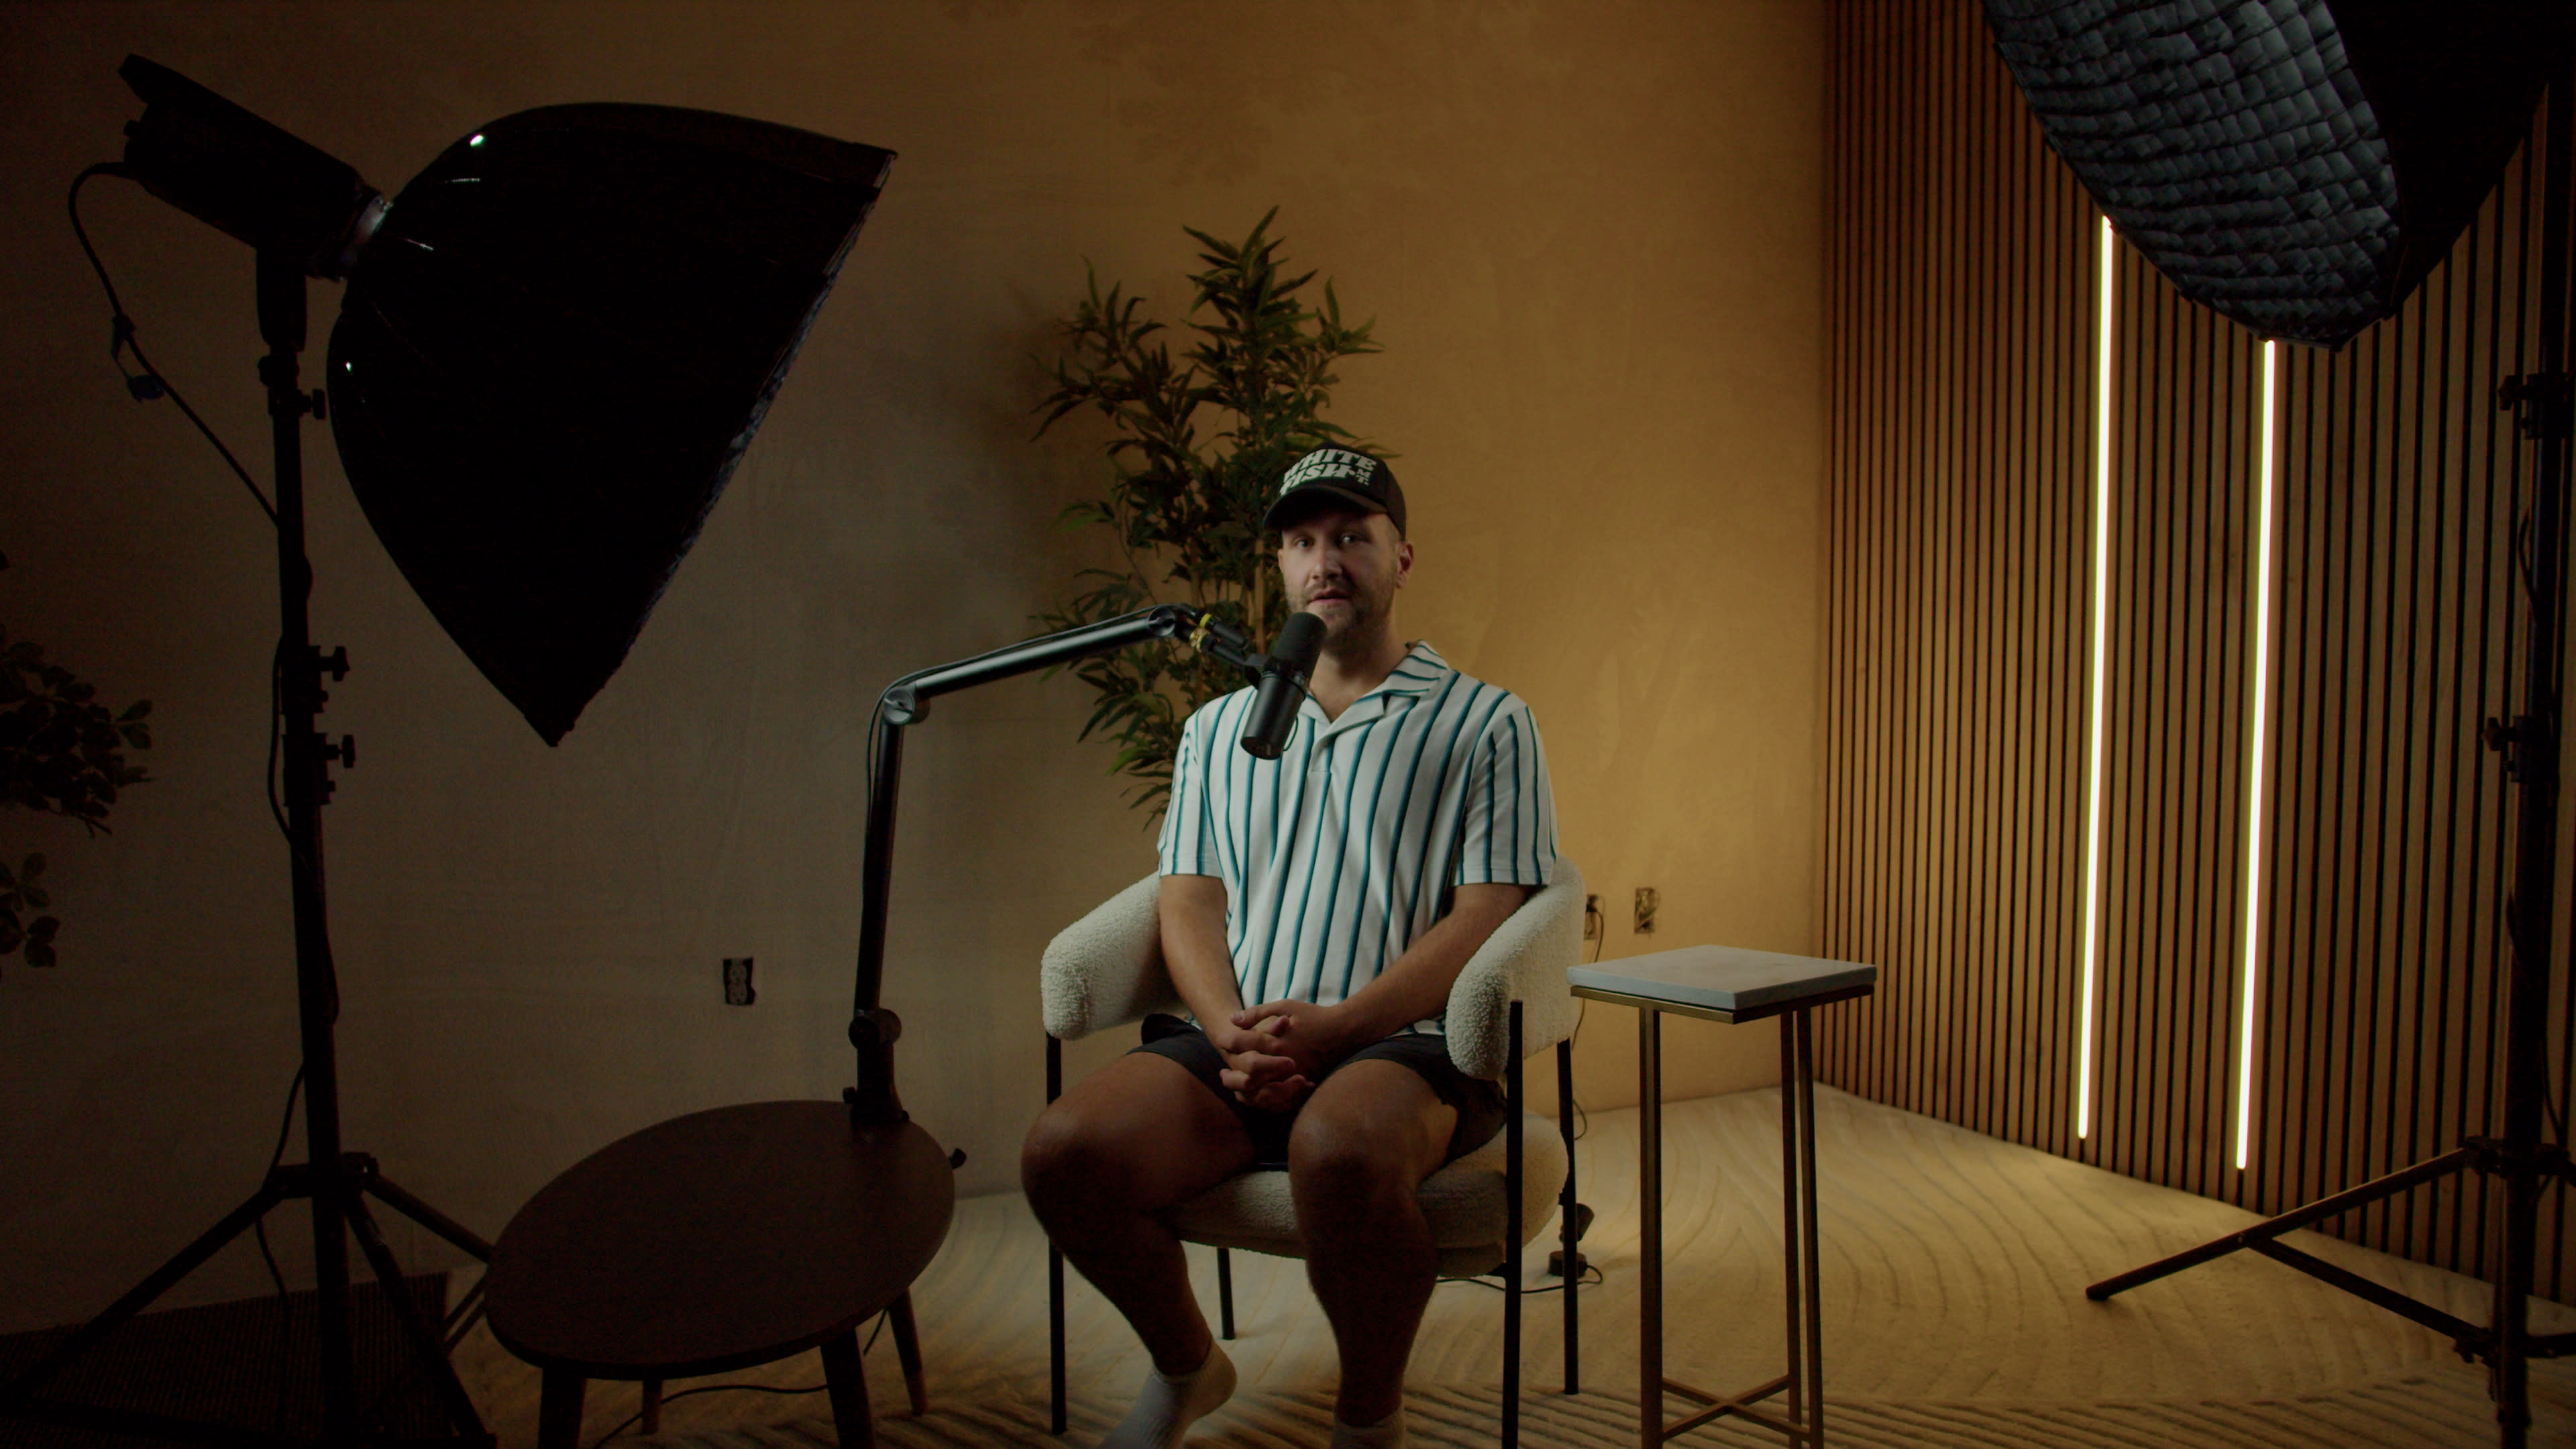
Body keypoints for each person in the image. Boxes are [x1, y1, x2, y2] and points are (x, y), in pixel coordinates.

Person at [1021, 445, 1559, 1449]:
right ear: (1280, 566)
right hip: (1244, 1034)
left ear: (1402, 557)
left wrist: (1343, 1029)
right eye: (1304, 542)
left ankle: (1368, 1421)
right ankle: (1189, 1368)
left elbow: (1488, 912)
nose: (1327, 561)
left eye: (1353, 536)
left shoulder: (1488, 721)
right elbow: (1187, 904)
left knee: (1341, 1149)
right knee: (1064, 1153)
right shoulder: (1222, 727)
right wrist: (1228, 1031)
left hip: (1411, 1045)